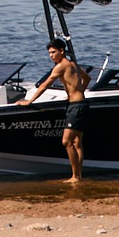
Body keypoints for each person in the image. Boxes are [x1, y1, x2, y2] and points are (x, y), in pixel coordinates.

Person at [23, 40, 88, 183]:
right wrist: (78, 91)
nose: (51, 56)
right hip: (81, 103)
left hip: (75, 106)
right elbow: (87, 78)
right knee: (77, 142)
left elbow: (45, 85)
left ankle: (75, 177)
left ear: (62, 51)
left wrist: (29, 101)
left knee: (66, 141)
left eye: (53, 52)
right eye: (49, 53)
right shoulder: (73, 64)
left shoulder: (61, 66)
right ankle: (78, 175)